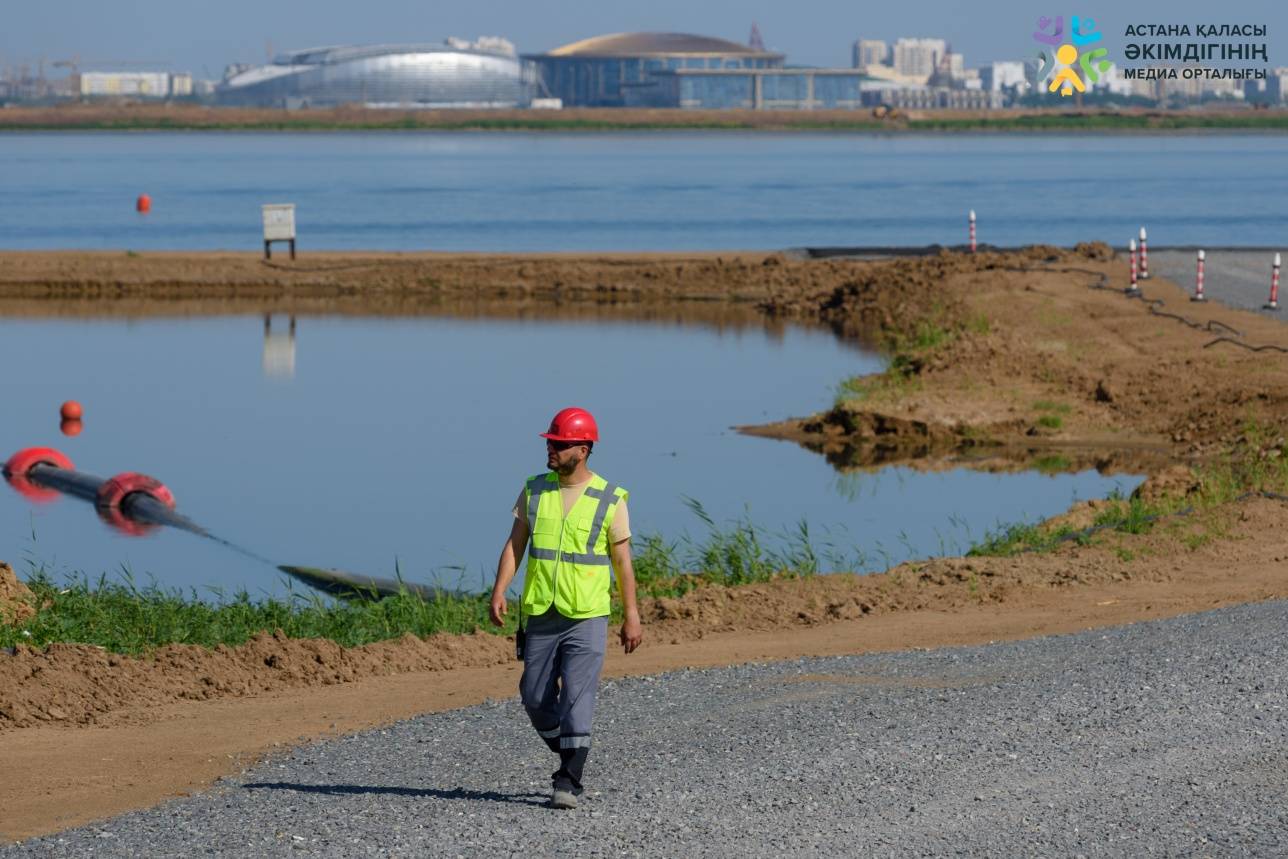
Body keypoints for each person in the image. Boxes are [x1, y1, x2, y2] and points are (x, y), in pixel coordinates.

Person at [489, 406, 643, 810]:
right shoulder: (534, 490)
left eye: (559, 444)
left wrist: (632, 616)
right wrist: (499, 589)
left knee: (578, 697)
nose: (551, 450)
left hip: (588, 615)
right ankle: (571, 751)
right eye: (550, 443)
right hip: (542, 611)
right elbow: (515, 543)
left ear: (584, 449)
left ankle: (569, 779)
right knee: (535, 697)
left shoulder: (611, 499)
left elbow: (623, 561)